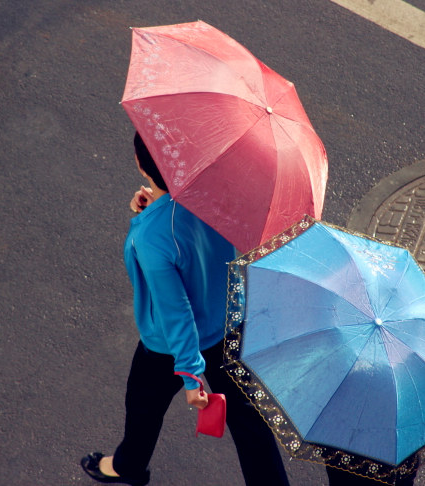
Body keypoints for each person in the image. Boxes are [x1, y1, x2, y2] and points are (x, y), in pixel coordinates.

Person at [80, 133, 289, 486]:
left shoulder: (151, 240)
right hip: (227, 321)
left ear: (139, 162)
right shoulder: (216, 192)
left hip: (167, 344)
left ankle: (129, 466)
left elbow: (175, 313)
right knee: (249, 422)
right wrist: (156, 205)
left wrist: (192, 376)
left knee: (143, 404)